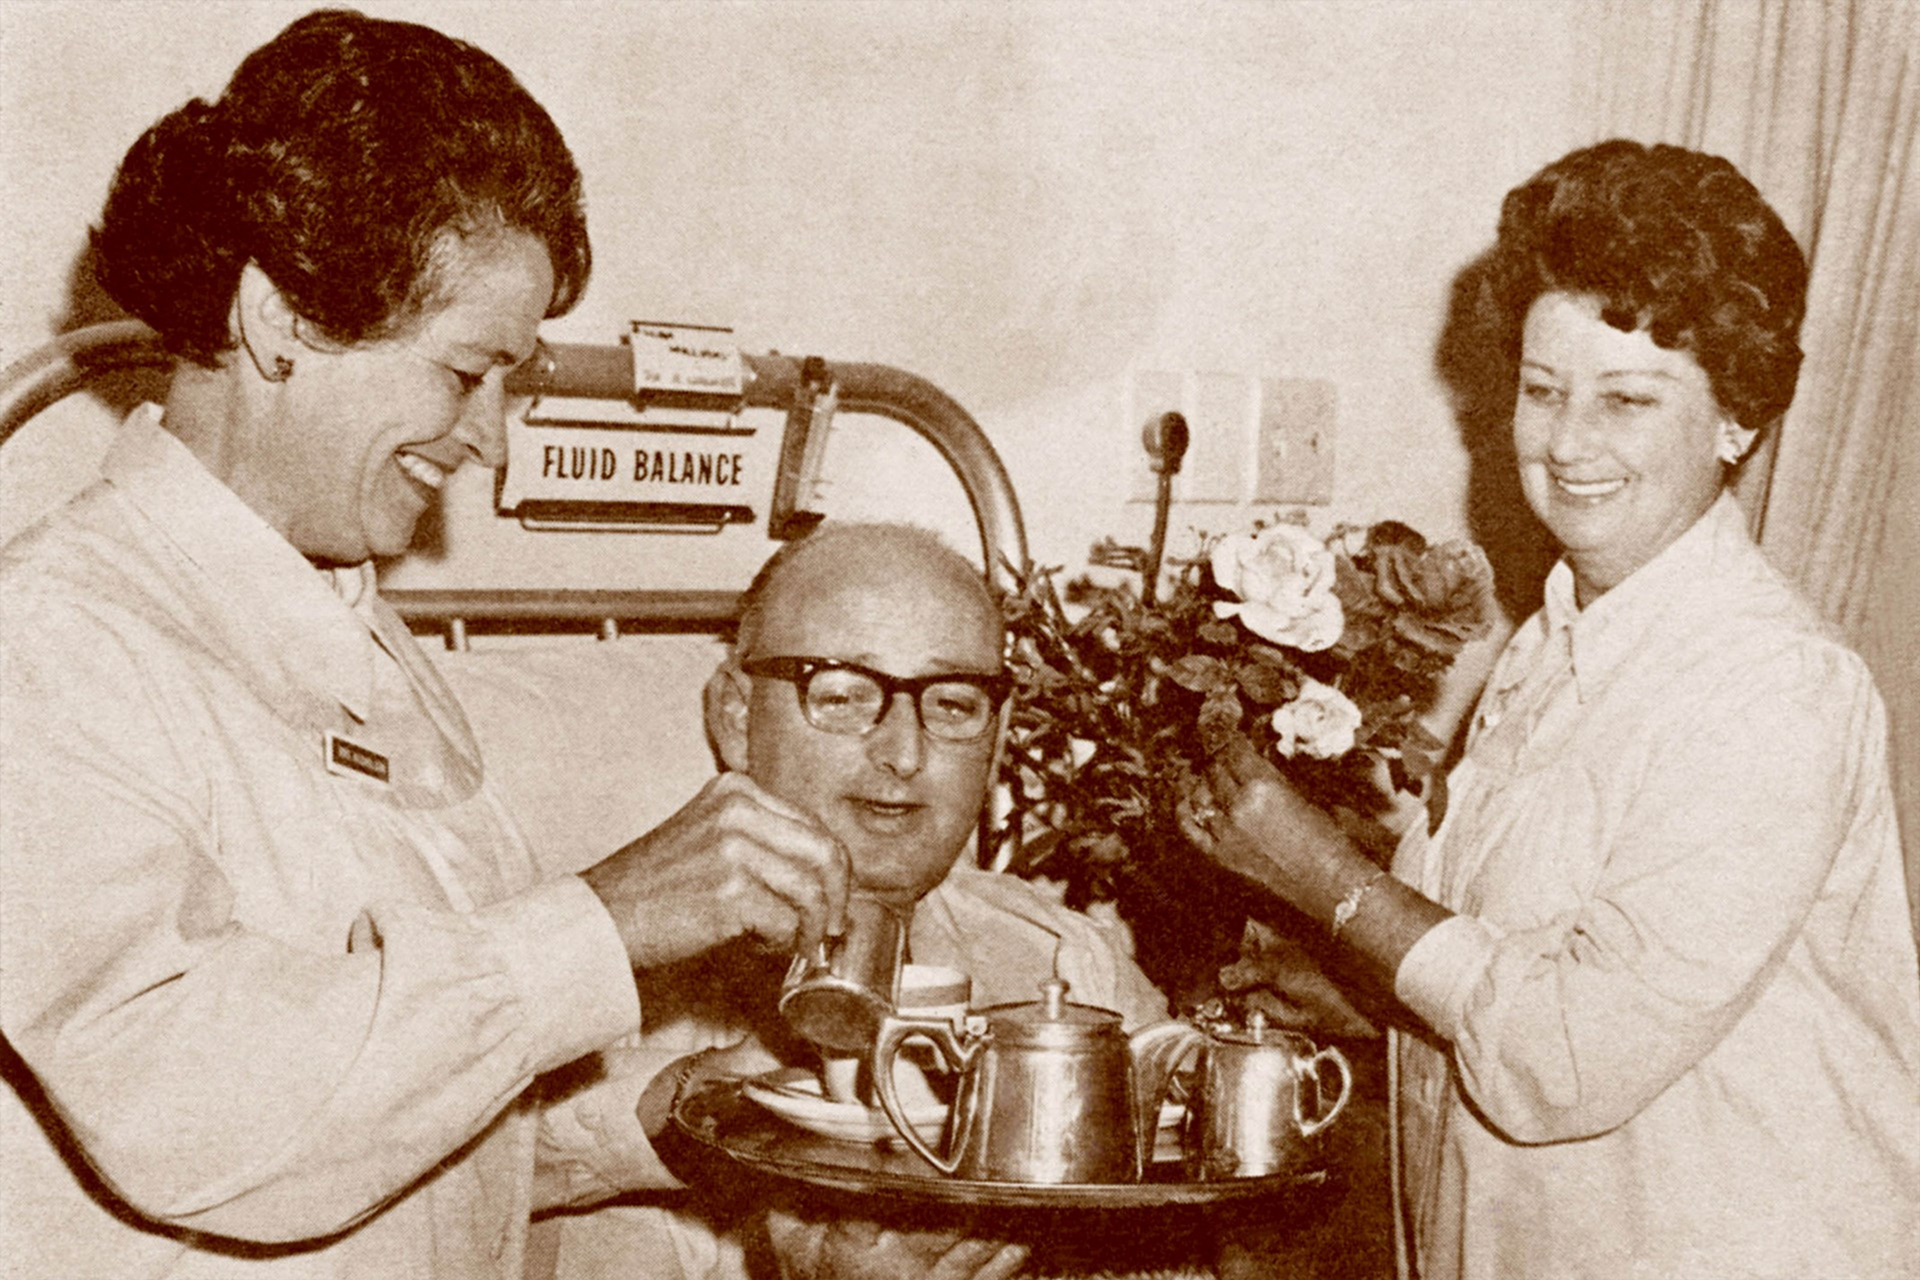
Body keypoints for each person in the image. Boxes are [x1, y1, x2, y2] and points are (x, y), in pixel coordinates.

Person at [0, 11, 851, 1278]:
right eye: (468, 373)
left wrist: (722, 1114)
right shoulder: (51, 646)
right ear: (278, 316)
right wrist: (604, 924)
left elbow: (422, 1118)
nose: (495, 440)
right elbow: (202, 1112)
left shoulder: (359, 634)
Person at [1186, 139, 1920, 1279]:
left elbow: (1563, 1057)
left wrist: (1327, 881)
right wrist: (1365, 996)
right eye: (1542, 389)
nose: (1567, 443)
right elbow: (1521, 969)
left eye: (1628, 399)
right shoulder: (1550, 645)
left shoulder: (1776, 687)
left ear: (1738, 421)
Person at [525, 523, 1172, 1280]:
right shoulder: (580, 966)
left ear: (996, 745)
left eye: (955, 705)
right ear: (735, 717)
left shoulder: (1069, 967)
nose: (903, 753)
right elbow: (458, 1168)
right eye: (841, 694)